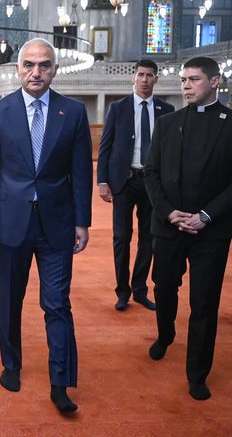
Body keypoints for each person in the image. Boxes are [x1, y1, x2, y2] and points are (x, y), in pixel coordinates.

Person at [0, 38, 92, 413]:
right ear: (18, 69)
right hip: (10, 223)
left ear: (55, 69)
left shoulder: (73, 112)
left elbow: (81, 172)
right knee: (10, 300)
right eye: (29, 65)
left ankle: (60, 382)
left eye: (43, 65)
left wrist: (82, 221)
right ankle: (11, 364)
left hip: (58, 223)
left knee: (57, 303)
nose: (36, 72)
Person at [143, 56, 232, 401]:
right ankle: (165, 335)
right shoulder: (167, 123)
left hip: (212, 230)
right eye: (183, 80)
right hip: (169, 226)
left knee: (204, 302)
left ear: (215, 81)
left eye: (193, 79)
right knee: (163, 288)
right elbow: (151, 173)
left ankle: (197, 373)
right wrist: (169, 213)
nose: (186, 86)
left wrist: (205, 216)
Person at [97, 59, 174, 312]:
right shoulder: (118, 108)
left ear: (156, 79)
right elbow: (105, 147)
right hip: (124, 181)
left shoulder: (166, 110)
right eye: (140, 74)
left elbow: (170, 151)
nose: (144, 79)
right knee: (121, 237)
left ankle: (140, 289)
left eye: (149, 75)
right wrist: (103, 181)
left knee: (149, 238)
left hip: (152, 183)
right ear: (133, 77)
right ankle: (122, 291)